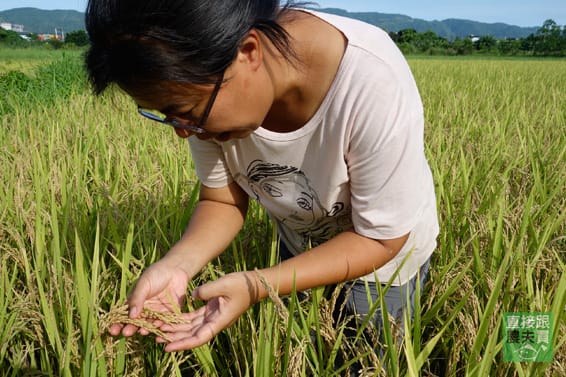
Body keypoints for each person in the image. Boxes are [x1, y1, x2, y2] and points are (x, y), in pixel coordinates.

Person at [85, 0, 439, 356]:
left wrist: (257, 285)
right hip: (301, 240)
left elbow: (379, 239)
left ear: (249, 51)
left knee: (364, 353)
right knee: (305, 344)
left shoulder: (370, 81)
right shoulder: (204, 90)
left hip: (383, 259)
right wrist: (176, 267)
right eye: (169, 118)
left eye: (185, 114)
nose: (184, 133)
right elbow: (221, 199)